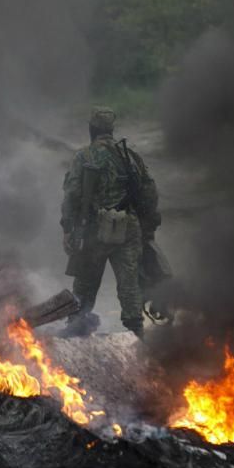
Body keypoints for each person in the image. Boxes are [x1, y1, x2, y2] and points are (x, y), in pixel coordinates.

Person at [60, 106, 161, 337]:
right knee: (129, 282)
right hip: (128, 226)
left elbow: (72, 194)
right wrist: (148, 226)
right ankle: (135, 331)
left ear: (91, 129)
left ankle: (76, 327)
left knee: (85, 282)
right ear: (111, 130)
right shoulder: (130, 156)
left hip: (96, 228)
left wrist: (68, 228)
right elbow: (150, 192)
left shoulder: (84, 156)